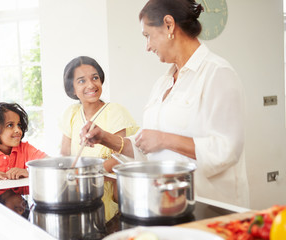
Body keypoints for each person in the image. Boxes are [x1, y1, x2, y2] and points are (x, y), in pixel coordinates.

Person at [80, 0, 249, 207]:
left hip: (210, 207)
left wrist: (164, 139)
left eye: (147, 35)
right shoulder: (163, 83)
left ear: (169, 25)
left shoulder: (218, 73)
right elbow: (149, 147)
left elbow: (227, 150)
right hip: (169, 205)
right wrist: (105, 138)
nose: (147, 46)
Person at [59, 56, 139, 220]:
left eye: (95, 78)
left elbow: (120, 156)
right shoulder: (71, 113)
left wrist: (88, 176)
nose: (91, 85)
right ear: (72, 89)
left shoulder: (115, 111)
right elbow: (65, 154)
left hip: (107, 191)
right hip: (77, 190)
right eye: (81, 81)